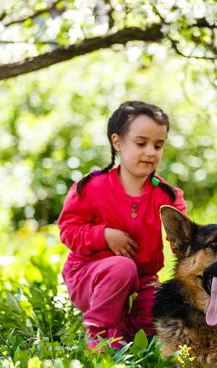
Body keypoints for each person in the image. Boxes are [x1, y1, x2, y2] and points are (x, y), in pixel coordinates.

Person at [58, 101, 186, 350]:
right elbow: (68, 231)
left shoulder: (167, 196)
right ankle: (99, 337)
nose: (151, 152)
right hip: (89, 275)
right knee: (122, 267)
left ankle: (126, 332)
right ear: (117, 142)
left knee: (159, 311)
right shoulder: (91, 188)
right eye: (141, 144)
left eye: (158, 145)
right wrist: (103, 235)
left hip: (143, 279)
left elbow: (184, 238)